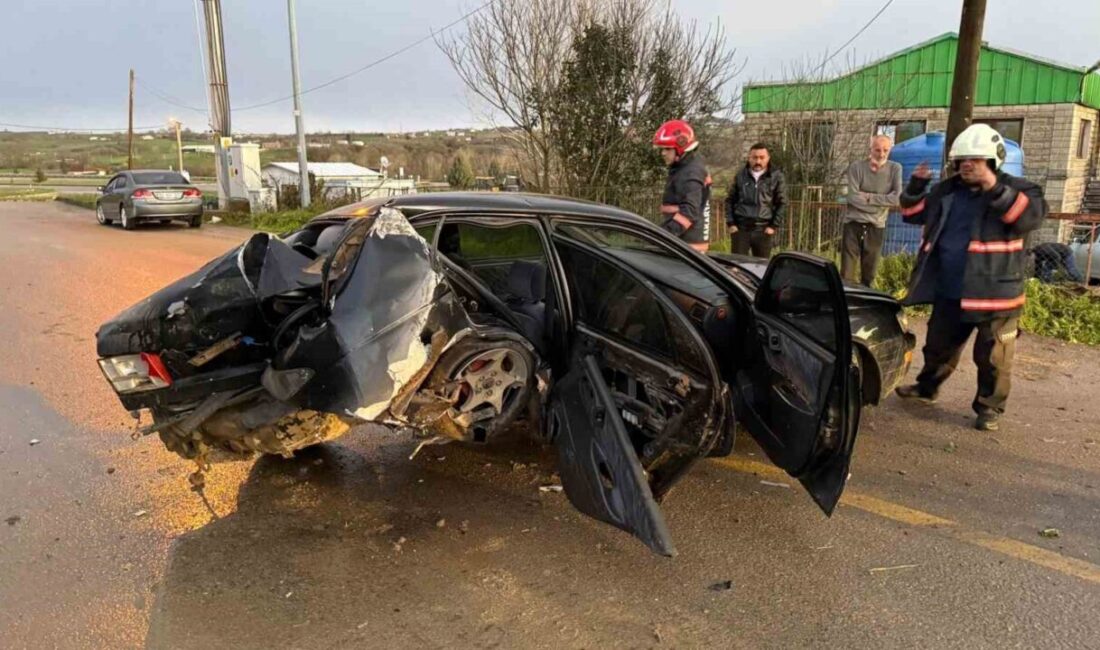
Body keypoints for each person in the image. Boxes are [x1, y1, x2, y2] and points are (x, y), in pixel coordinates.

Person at [894, 123, 1048, 431]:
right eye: (962, 160)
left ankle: (989, 408)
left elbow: (1028, 219)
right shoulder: (947, 190)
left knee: (993, 357)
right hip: (950, 289)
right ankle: (927, 389)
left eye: (975, 160)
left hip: (995, 294)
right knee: (938, 346)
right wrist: (915, 186)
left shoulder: (1021, 189)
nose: (967, 165)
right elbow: (912, 215)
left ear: (992, 161)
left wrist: (993, 186)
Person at [842, 135, 902, 286]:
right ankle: (847, 304)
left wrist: (868, 197)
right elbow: (852, 197)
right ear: (871, 149)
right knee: (847, 273)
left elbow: (896, 199)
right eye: (877, 150)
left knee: (870, 274)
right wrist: (881, 202)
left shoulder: (895, 169)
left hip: (876, 226)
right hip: (853, 224)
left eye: (885, 150)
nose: (881, 154)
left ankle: (867, 306)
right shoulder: (856, 167)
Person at [653, 119, 712, 252]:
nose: (663, 153)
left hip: (687, 246)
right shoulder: (686, 166)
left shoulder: (691, 172)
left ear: (681, 148)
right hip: (685, 241)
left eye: (667, 149)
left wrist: (664, 234)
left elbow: (689, 211)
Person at [725, 143, 786, 258]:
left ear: (768, 158)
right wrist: (731, 223)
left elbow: (782, 203)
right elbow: (729, 200)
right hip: (741, 229)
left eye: (762, 157)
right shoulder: (740, 176)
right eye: (754, 157)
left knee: (761, 268)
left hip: (763, 230)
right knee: (737, 267)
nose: (758, 161)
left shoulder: (776, 176)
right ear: (749, 158)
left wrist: (773, 226)